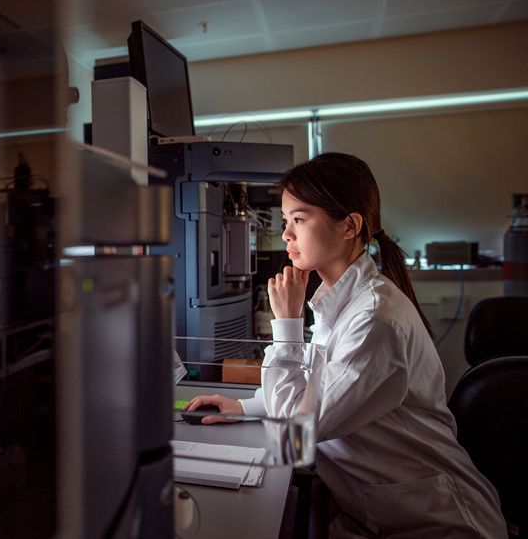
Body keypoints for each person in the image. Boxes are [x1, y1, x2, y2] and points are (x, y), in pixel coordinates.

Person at [184, 153, 506, 537]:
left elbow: (295, 433)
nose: (286, 234)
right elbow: (316, 390)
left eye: (299, 219)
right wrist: (244, 406)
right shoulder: (339, 301)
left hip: (436, 523)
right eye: (286, 221)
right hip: (378, 511)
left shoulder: (375, 319)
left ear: (350, 226)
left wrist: (285, 325)